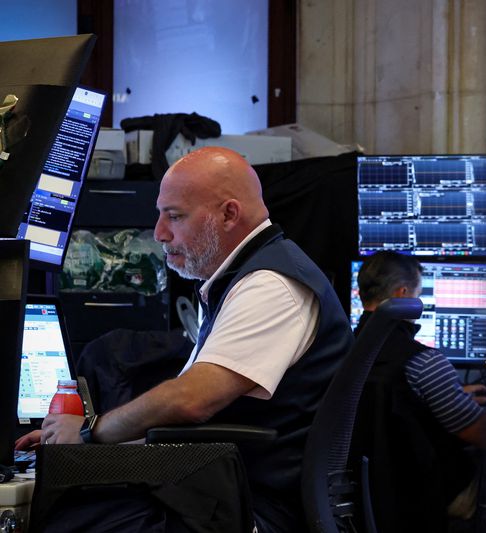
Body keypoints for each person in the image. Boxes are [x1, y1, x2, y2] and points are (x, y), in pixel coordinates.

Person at [16, 146, 354, 532]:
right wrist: (83, 452)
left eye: (174, 216)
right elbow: (187, 431)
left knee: (60, 519)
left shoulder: (271, 286)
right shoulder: (243, 281)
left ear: (229, 214)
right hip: (226, 491)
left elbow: (190, 401)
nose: (159, 233)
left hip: (253, 508)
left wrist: (91, 432)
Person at [351, 251, 486, 533]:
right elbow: (482, 433)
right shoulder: (424, 363)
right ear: (403, 295)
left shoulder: (343, 351)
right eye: (419, 294)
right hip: (420, 497)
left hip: (362, 496)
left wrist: (449, 395)